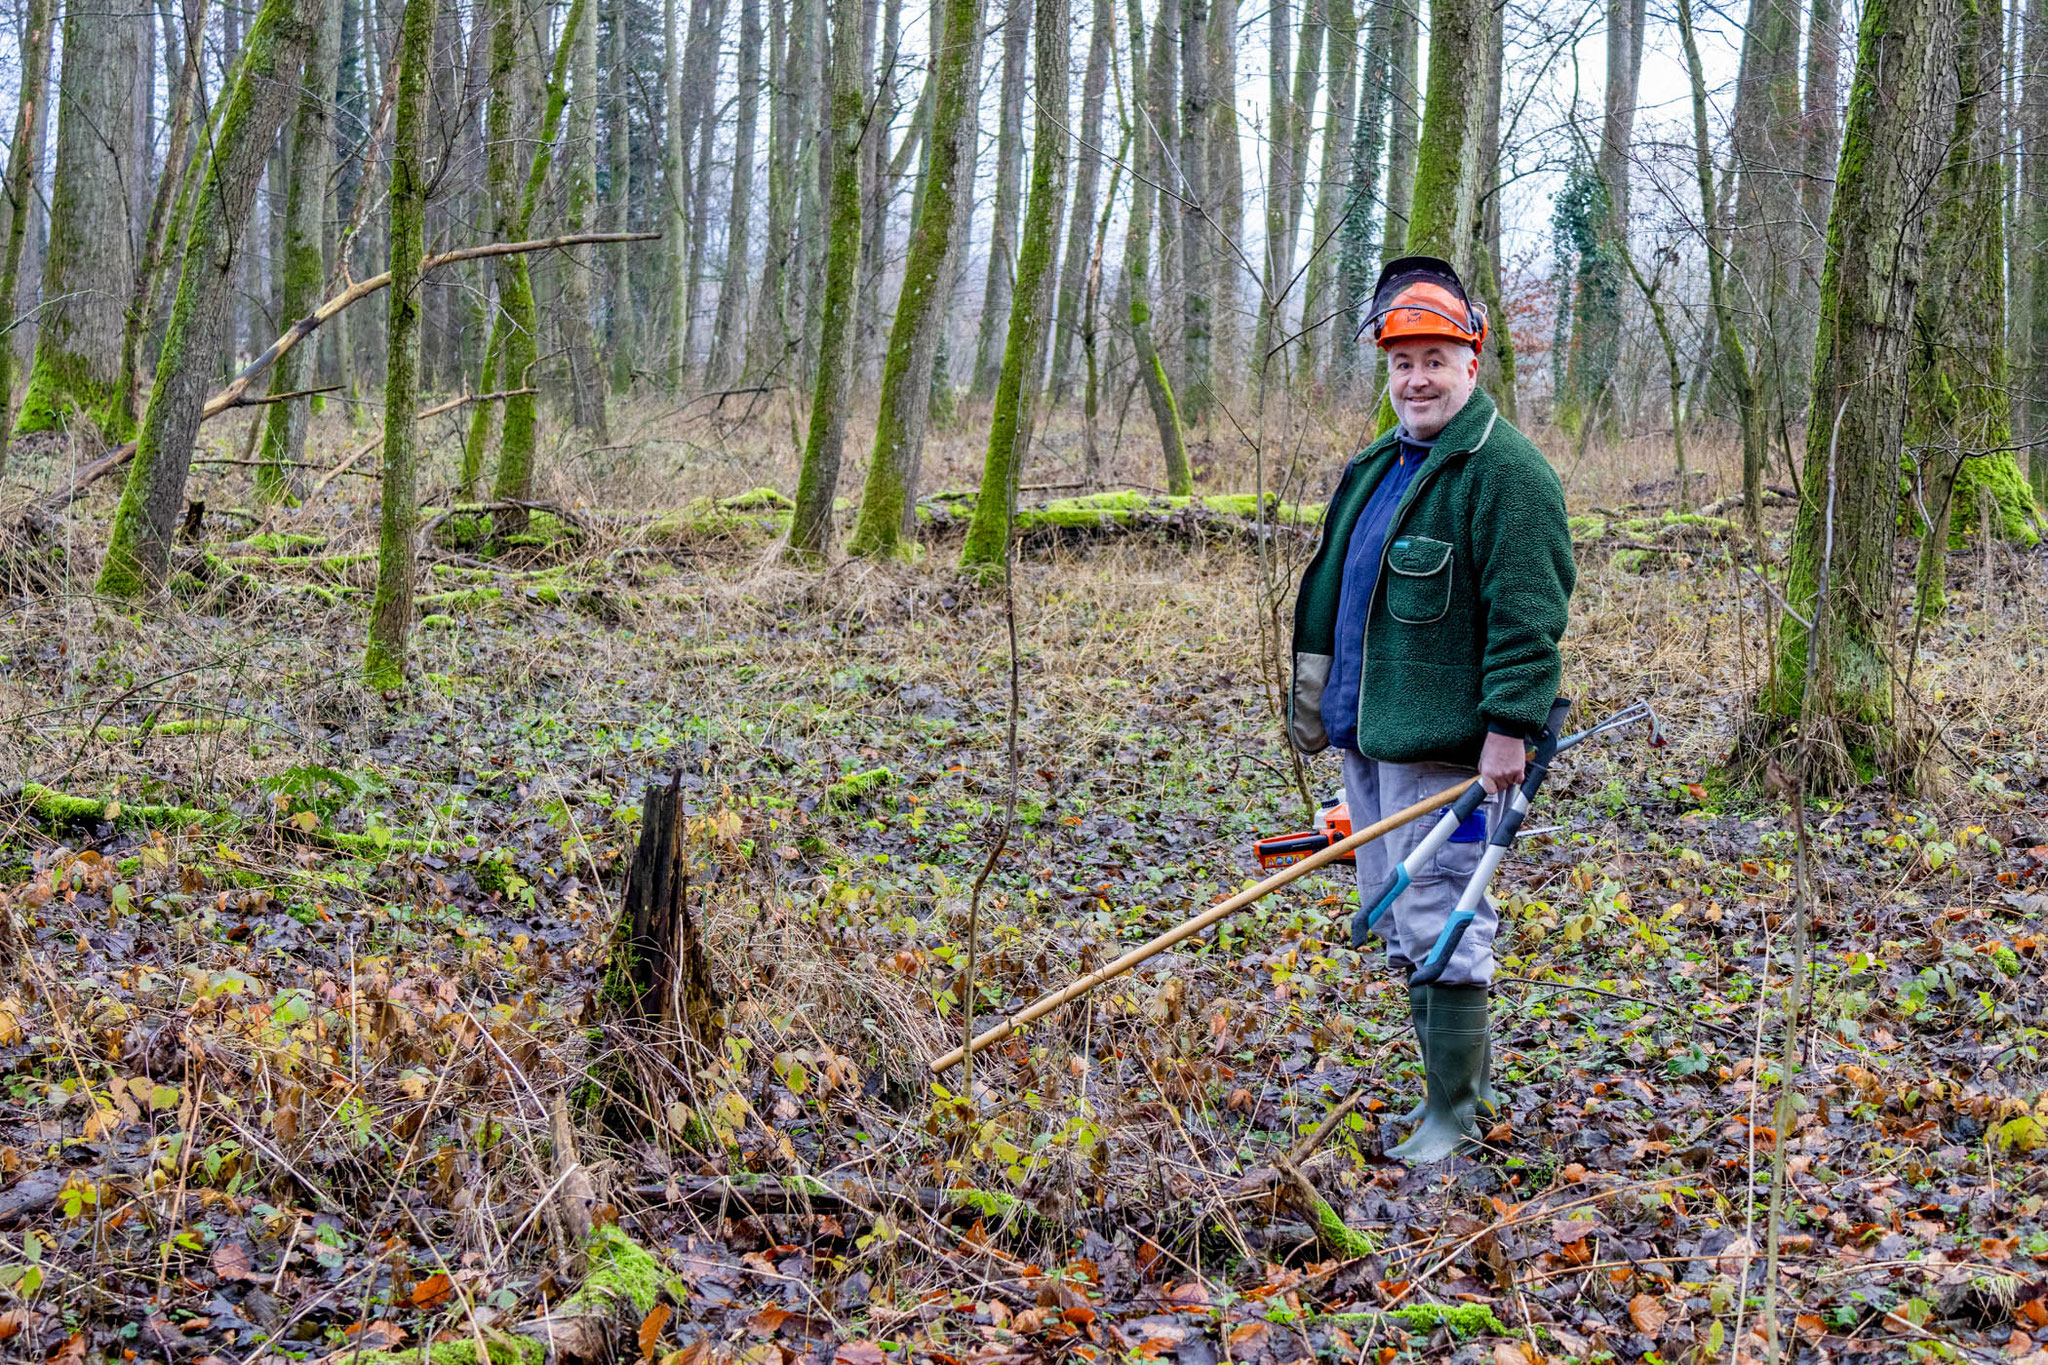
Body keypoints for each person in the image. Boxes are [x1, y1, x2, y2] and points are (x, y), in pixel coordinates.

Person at [1288, 257, 1575, 1163]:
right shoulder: (1382, 462)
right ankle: (1446, 1098)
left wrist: (1508, 728)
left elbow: (1531, 614)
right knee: (1392, 904)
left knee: (1444, 910)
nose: (1417, 378)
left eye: (1436, 359)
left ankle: (1456, 1114)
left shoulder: (1507, 474)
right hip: (1371, 739)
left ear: (1473, 364)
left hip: (1452, 749)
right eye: (1402, 360)